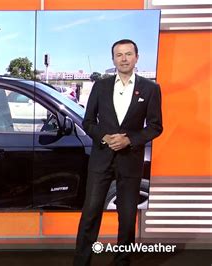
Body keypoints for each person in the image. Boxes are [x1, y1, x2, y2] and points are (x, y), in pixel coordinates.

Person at [74, 39, 163, 266]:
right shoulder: (101, 86)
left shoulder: (151, 89)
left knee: (126, 218)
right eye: (119, 55)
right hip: (101, 159)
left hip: (130, 161)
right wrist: (104, 137)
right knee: (91, 214)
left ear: (136, 57)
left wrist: (129, 140)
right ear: (113, 59)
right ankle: (81, 262)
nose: (123, 58)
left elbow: (155, 126)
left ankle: (122, 262)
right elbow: (88, 121)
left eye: (128, 54)